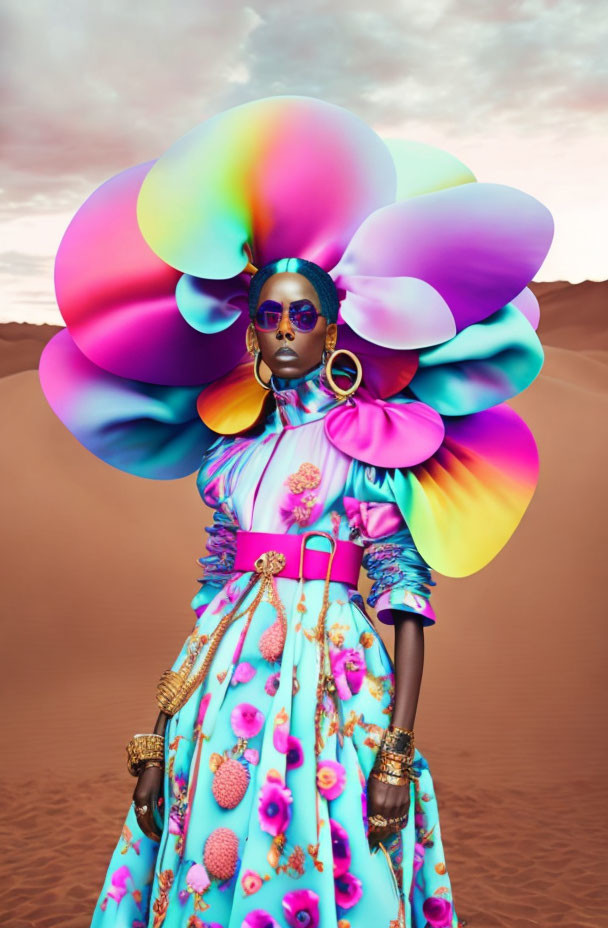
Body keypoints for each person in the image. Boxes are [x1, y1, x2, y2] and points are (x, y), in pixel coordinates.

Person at [38, 96, 553, 928]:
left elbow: (404, 593)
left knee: (331, 856)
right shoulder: (230, 460)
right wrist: (160, 737)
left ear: (332, 329)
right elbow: (211, 608)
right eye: (268, 315)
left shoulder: (370, 444)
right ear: (249, 332)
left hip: (336, 694)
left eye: (302, 315)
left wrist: (396, 749)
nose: (283, 331)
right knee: (213, 862)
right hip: (224, 697)